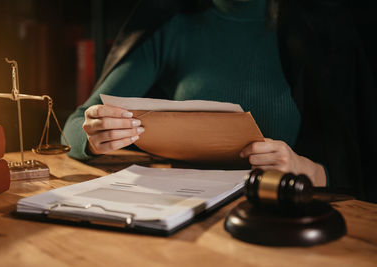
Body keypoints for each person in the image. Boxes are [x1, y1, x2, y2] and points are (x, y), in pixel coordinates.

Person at [63, 0, 377, 201]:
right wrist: (95, 136)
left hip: (283, 215)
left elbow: (360, 168)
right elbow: (73, 129)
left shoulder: (324, 24)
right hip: (181, 210)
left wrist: (305, 168)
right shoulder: (167, 18)